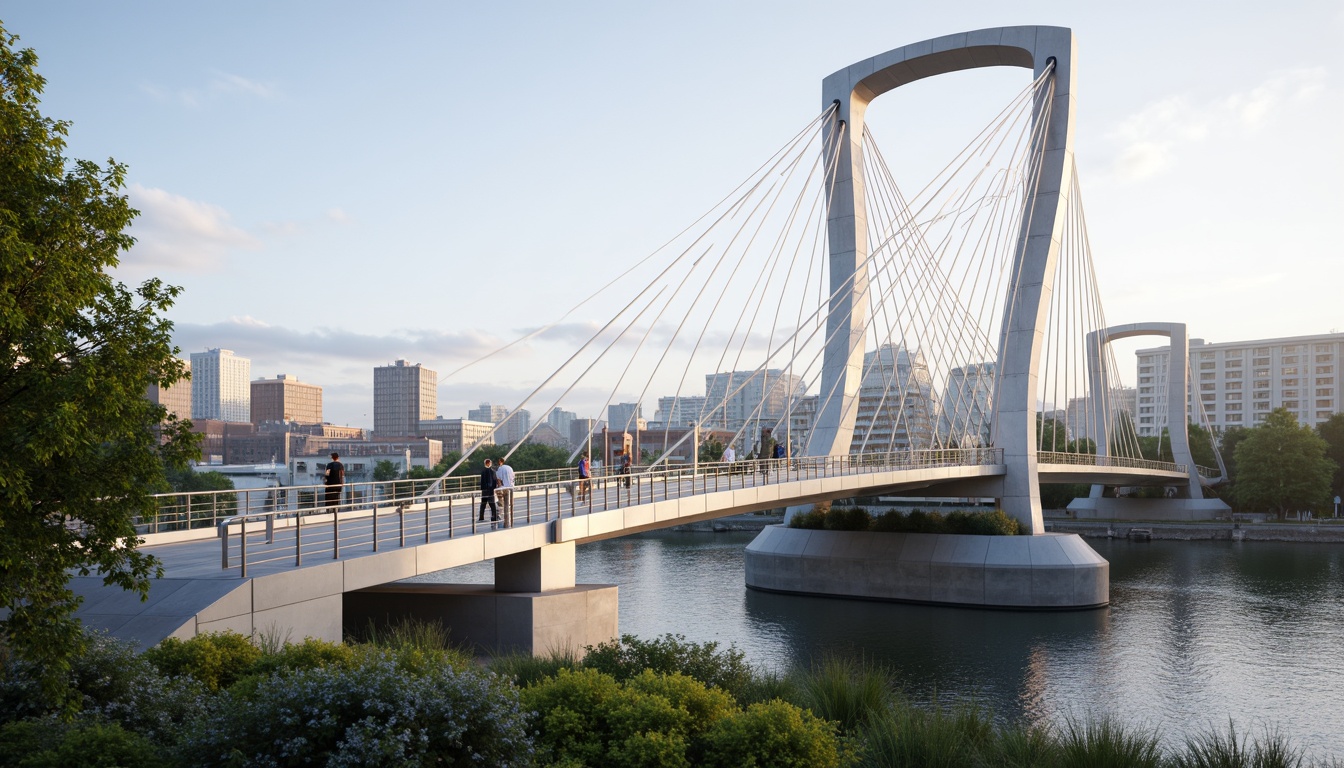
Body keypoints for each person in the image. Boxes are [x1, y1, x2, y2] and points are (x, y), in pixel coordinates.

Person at [495, 457, 515, 527]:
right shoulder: (509, 467)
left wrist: (499, 487)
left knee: (502, 504)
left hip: (504, 487)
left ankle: (503, 521)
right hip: (511, 487)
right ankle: (509, 521)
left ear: (500, 462)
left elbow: (499, 479)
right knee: (508, 504)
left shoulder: (500, 469)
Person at [478, 458, 499, 526]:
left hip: (484, 490)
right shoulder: (493, 471)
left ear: (485, 464)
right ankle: (494, 517)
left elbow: (482, 481)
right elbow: (494, 481)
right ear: (490, 463)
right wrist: (494, 488)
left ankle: (481, 517)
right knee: (492, 505)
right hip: (491, 491)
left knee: (483, 504)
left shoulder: (483, 471)